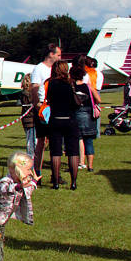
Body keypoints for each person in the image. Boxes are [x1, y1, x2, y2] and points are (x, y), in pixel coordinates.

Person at [46, 60, 80, 189]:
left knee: (56, 152)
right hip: (70, 119)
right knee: (73, 152)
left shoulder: (51, 83)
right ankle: (73, 182)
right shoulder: (71, 83)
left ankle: (55, 182)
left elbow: (49, 99)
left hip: (56, 119)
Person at [30, 43, 62, 184]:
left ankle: (56, 174)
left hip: (55, 107)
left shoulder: (55, 70)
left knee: (55, 142)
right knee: (41, 142)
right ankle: (37, 173)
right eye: (58, 55)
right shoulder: (39, 69)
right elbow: (34, 87)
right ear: (51, 54)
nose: (60, 57)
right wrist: (37, 105)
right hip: (43, 108)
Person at [71, 66, 99, 173]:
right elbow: (98, 99)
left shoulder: (71, 87)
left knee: (79, 139)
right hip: (89, 114)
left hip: (77, 114)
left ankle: (80, 162)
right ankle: (90, 166)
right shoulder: (88, 87)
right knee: (89, 141)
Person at [19, 74, 36, 157]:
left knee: (32, 141)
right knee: (31, 142)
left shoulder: (23, 93)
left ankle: (33, 157)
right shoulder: (27, 94)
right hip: (30, 120)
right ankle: (31, 158)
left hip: (28, 120)